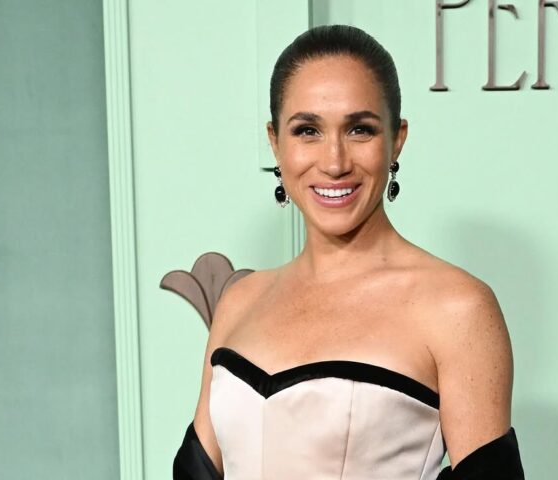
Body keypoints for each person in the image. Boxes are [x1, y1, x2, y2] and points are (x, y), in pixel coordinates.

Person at [174, 24, 524, 480]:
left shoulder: (458, 308)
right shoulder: (241, 300)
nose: (335, 162)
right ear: (275, 141)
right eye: (307, 131)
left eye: (360, 129)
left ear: (397, 138)